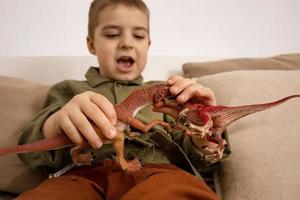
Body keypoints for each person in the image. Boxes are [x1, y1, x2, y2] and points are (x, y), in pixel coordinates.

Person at [16, 0, 230, 199]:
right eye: (111, 34)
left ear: (148, 44)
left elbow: (197, 157)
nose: (127, 43)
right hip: (82, 175)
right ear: (91, 44)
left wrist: (204, 121)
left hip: (157, 172)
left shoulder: (165, 92)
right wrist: (58, 121)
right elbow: (31, 147)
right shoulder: (69, 90)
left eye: (138, 36)